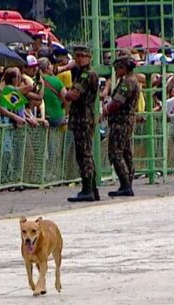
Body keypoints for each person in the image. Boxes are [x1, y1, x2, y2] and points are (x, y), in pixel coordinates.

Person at [65, 45, 101, 202]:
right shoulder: (82, 73)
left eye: (82, 56)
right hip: (82, 118)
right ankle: (92, 188)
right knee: (85, 154)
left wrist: (64, 92)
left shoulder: (87, 75)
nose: (79, 59)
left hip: (83, 119)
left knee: (84, 155)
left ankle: (88, 189)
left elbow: (74, 94)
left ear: (89, 57)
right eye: (76, 56)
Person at [102, 55, 140, 197]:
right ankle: (128, 182)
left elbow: (117, 101)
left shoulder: (126, 83)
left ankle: (125, 184)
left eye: (117, 68)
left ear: (123, 68)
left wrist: (106, 109)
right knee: (126, 152)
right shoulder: (132, 81)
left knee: (116, 152)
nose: (116, 71)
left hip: (121, 121)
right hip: (127, 120)